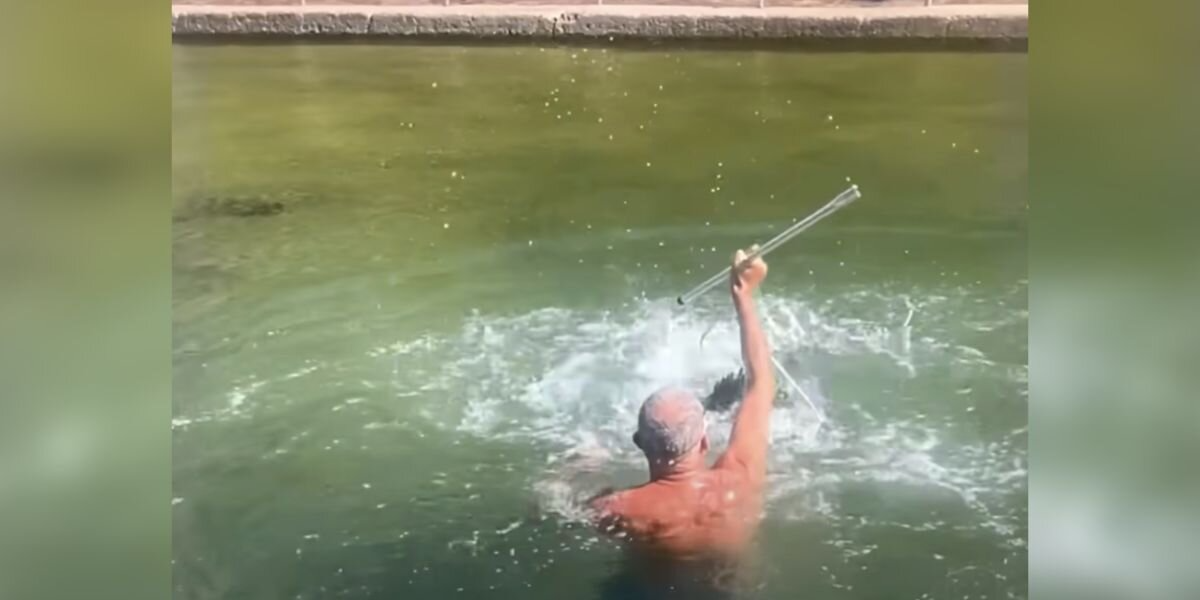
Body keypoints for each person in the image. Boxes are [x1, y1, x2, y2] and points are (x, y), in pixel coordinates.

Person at [589, 246, 776, 558]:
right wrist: (744, 295)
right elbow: (761, 382)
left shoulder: (620, 509)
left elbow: (547, 510)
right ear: (703, 440)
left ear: (639, 443)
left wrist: (583, 460)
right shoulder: (741, 479)